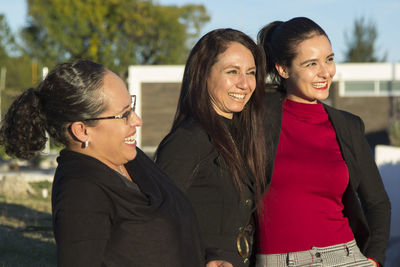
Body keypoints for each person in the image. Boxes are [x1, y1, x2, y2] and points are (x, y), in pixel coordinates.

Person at [0, 59, 204, 267]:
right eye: (124, 114)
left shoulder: (130, 158)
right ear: (82, 130)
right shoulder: (80, 193)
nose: (137, 120)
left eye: (131, 106)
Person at [256, 17, 391, 267]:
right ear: (283, 69)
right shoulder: (256, 119)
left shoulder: (348, 126)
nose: (325, 72)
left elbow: (378, 202)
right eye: (311, 64)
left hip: (345, 257)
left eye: (329, 59)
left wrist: (373, 258)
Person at [155, 28, 267, 267]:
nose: (245, 83)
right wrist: (204, 258)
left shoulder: (246, 135)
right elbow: (157, 221)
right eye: (232, 71)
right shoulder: (187, 140)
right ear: (203, 75)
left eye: (251, 72)